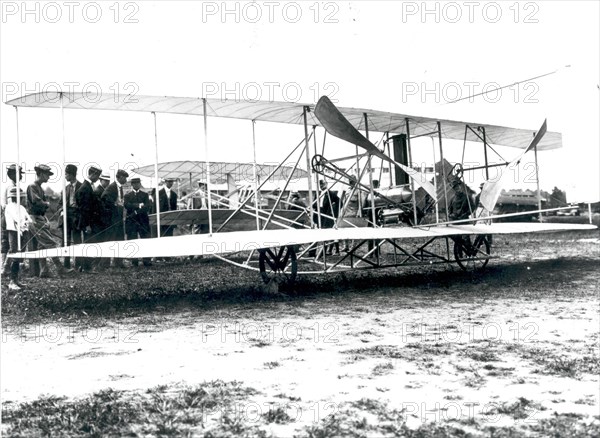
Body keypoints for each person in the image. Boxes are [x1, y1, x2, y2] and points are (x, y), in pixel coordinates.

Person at [26, 164, 73, 278]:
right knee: (50, 242)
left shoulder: (39, 187)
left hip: (40, 218)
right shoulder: (32, 186)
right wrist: (48, 203)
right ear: (41, 174)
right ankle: (59, 268)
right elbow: (37, 202)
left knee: (42, 245)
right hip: (34, 218)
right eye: (47, 174)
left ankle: (44, 270)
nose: (49, 177)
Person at [76, 165, 102, 272]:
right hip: (88, 222)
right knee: (89, 243)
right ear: (93, 174)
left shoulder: (87, 186)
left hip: (89, 221)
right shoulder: (85, 188)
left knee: (88, 242)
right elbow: (84, 208)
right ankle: (86, 267)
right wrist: (87, 225)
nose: (98, 179)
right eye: (97, 176)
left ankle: (84, 266)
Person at [101, 169, 128, 268]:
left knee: (119, 239)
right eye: (124, 177)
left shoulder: (119, 187)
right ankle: (105, 263)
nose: (125, 179)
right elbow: (104, 197)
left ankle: (118, 262)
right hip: (112, 219)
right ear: (119, 177)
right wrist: (114, 205)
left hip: (119, 219)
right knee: (110, 240)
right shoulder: (112, 186)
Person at [58, 164, 83, 269]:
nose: (65, 176)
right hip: (67, 216)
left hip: (77, 216)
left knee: (77, 240)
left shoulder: (82, 187)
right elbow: (60, 203)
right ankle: (66, 264)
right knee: (66, 240)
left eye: (67, 174)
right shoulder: (66, 188)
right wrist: (61, 211)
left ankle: (78, 264)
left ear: (72, 174)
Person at [124, 177, 152, 267]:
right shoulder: (127, 195)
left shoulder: (145, 195)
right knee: (132, 240)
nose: (137, 185)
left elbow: (147, 206)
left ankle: (146, 260)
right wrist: (139, 205)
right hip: (132, 222)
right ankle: (134, 261)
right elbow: (127, 205)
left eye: (138, 183)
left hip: (143, 221)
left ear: (140, 184)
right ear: (132, 184)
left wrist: (136, 211)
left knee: (146, 240)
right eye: (135, 183)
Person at [2, 164, 23, 278]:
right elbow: (11, 205)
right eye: (19, 173)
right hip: (9, 217)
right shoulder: (11, 187)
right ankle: (4, 268)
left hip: (12, 217)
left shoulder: (15, 185)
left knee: (11, 243)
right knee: (9, 243)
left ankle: (6, 267)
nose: (20, 176)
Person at [319, 180, 340, 255]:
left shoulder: (331, 193)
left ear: (327, 184)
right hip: (320, 214)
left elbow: (339, 202)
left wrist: (334, 212)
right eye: (320, 185)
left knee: (330, 232)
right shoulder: (318, 193)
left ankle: (328, 250)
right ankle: (325, 250)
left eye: (323, 184)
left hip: (328, 215)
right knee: (322, 232)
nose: (321, 186)